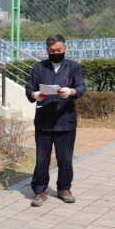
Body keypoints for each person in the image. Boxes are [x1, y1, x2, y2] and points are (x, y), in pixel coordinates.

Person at [25, 34, 86, 207]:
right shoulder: (39, 68)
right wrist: (34, 94)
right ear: (47, 51)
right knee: (42, 159)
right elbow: (30, 87)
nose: (56, 53)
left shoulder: (73, 67)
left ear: (65, 48)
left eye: (59, 50)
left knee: (65, 158)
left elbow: (81, 86)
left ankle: (64, 189)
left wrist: (71, 92)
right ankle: (39, 191)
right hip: (44, 120)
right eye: (52, 51)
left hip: (65, 120)